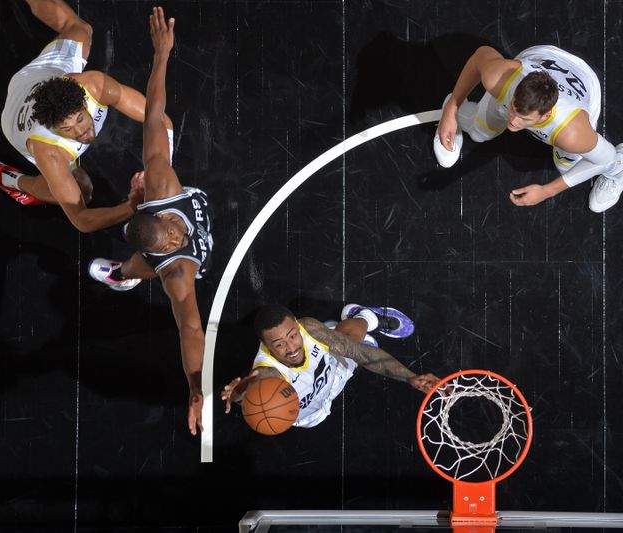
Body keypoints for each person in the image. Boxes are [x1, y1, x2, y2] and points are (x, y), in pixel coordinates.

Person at [87, 7, 211, 436]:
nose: (179, 234)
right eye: (171, 239)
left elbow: (154, 113)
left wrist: (161, 53)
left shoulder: (160, 185)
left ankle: (124, 272)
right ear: (161, 248)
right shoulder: (175, 270)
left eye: (173, 231)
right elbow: (191, 329)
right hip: (153, 258)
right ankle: (125, 272)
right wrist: (196, 387)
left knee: (162, 127)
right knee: (141, 271)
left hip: (156, 203)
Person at [0, 0, 173, 232]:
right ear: (53, 127)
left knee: (80, 28)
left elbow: (162, 120)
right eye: (68, 129)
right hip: (15, 121)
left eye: (80, 119)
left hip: (35, 77)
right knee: (83, 189)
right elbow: (82, 220)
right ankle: (13, 181)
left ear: (85, 101)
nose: (80, 131)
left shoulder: (94, 86)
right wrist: (131, 206)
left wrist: (162, 174)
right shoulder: (50, 152)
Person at [434, 44, 623, 213]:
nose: (513, 122)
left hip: (583, 83)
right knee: (479, 132)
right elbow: (481, 56)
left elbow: (606, 157)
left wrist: (547, 191)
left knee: (568, 167)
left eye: (522, 118)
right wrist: (450, 110)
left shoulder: (571, 132)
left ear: (545, 116)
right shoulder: (502, 77)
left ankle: (621, 166)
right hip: (542, 57)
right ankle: (458, 114)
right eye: (513, 109)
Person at [220, 304, 440, 428]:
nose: (291, 348)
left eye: (292, 336)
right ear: (266, 346)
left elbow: (362, 354)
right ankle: (339, 330)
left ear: (297, 325)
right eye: (279, 345)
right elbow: (253, 391)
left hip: (333, 371)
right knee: (342, 344)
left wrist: (410, 377)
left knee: (352, 343)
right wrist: (239, 393)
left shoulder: (309, 329)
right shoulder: (269, 372)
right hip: (310, 415)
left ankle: (365, 316)